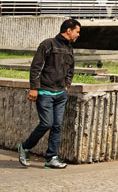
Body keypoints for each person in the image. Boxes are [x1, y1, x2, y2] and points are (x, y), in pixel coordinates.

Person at [17, 18, 81, 169]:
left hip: (60, 93)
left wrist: (67, 86)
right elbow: (36, 67)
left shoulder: (69, 48)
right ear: (69, 30)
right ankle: (25, 147)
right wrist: (34, 88)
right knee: (47, 123)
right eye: (77, 32)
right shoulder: (48, 44)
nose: (78, 35)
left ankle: (51, 158)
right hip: (45, 92)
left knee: (57, 126)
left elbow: (71, 69)